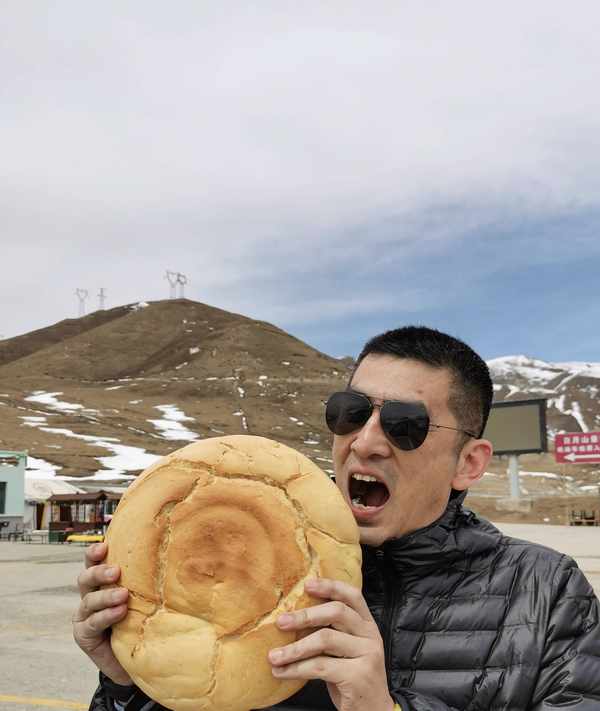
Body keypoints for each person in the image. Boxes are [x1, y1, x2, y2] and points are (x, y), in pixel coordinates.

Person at [74, 326, 600, 711]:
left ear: (468, 463)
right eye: (350, 412)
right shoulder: (248, 572)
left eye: (405, 424)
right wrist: (129, 686)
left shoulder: (547, 593)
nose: (365, 442)